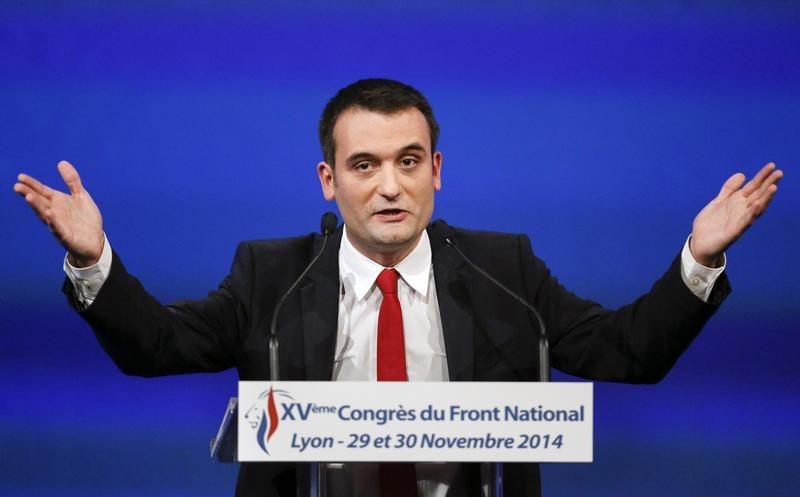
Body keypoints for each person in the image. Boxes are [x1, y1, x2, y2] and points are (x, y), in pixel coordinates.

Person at [13, 79, 783, 497]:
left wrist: (698, 257)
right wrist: (94, 259)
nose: (390, 186)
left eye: (410, 161)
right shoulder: (272, 276)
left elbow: (627, 352)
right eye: (365, 165)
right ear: (328, 180)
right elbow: (157, 346)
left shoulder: (502, 271)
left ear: (437, 173)